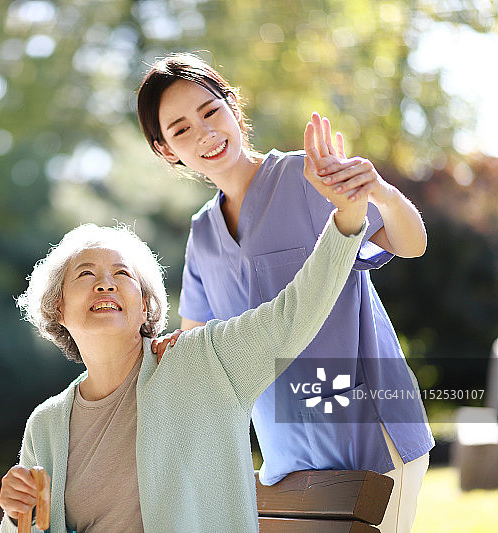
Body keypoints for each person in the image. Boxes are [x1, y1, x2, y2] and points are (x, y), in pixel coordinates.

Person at [0, 143, 368, 532]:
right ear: (58, 308)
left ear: (144, 308)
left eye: (122, 275)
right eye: (86, 274)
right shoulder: (46, 425)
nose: (105, 284)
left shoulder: (203, 363)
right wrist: (16, 512)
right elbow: (25, 528)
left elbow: (293, 315)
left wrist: (347, 218)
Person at [137, 52, 433, 533]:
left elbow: (412, 244)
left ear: (233, 107)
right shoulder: (203, 236)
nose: (206, 134)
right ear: (166, 149)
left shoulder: (307, 176)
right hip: (287, 460)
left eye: (211, 112)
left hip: (368, 431)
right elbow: (197, 351)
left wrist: (379, 191)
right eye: (182, 129)